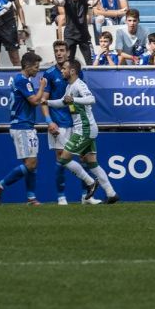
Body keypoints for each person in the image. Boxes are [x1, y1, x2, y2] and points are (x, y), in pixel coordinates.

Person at [44, 59, 118, 203]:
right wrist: (46, 102)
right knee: (92, 163)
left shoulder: (79, 85)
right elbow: (62, 102)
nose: (62, 71)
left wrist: (74, 100)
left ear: (72, 71)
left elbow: (91, 99)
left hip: (84, 129)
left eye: (64, 68)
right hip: (87, 129)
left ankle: (90, 183)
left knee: (64, 159)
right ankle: (111, 193)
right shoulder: (69, 87)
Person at [0, 52, 49, 205]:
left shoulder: (22, 80)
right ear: (27, 66)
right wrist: (42, 87)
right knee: (31, 163)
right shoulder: (22, 80)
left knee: (31, 164)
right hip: (21, 126)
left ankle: (31, 198)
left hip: (25, 125)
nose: (37, 70)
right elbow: (35, 101)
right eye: (36, 67)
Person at [58, 0, 93, 64]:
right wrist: (53, 1)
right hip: (70, 35)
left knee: (89, 62)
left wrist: (94, 2)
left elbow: (91, 2)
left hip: (83, 35)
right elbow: (60, 3)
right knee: (68, 62)